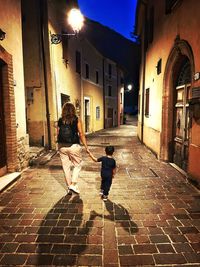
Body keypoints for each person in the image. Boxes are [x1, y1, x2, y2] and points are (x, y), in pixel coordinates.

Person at [57, 102, 89, 194]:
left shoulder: (60, 120)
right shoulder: (76, 119)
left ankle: (69, 187)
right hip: (74, 146)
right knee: (78, 164)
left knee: (66, 167)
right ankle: (73, 184)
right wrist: (86, 146)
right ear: (73, 110)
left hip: (62, 146)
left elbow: (58, 133)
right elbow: (81, 133)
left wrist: (58, 146)